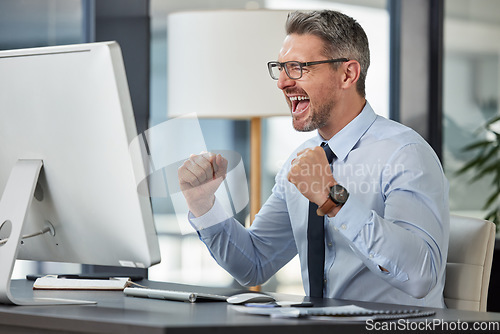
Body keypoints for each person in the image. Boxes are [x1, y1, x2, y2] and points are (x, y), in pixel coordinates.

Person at [177, 10, 449, 308]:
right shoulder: (300, 161)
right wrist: (203, 206)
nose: (281, 82)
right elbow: (254, 263)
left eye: (297, 68)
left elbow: (421, 277)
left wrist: (333, 199)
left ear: (348, 74)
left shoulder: (405, 154)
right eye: (280, 68)